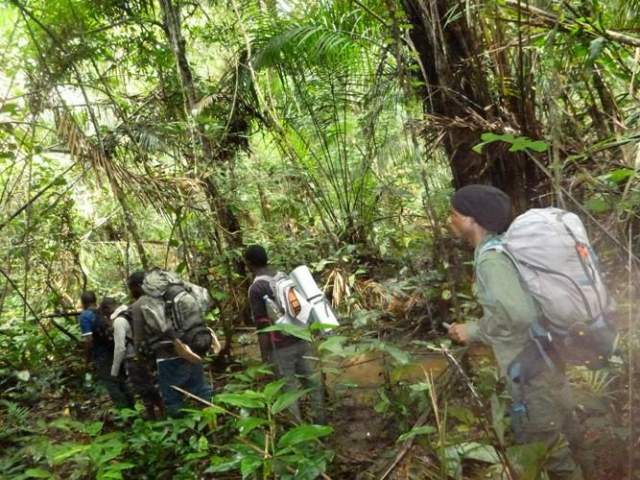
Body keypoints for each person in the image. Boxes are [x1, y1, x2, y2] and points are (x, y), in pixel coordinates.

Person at [446, 184, 590, 480]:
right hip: (547, 353)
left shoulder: (491, 260)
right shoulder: (506, 245)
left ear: (473, 219)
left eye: (455, 214)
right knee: (571, 432)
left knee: (549, 450)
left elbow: (520, 315)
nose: (451, 220)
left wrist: (472, 330)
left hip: (528, 367)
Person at [244, 245, 326, 424]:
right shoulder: (282, 276)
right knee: (312, 385)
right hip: (302, 339)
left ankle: (299, 439)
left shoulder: (256, 288)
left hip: (280, 348)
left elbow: (263, 325)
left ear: (249, 264)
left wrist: (265, 357)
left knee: (289, 393)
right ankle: (321, 424)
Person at [129, 270, 212, 417]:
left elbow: (138, 338)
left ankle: (182, 431)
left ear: (137, 286)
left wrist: (139, 358)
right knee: (201, 390)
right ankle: (211, 423)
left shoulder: (138, 305)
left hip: (166, 357)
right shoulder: (174, 295)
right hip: (190, 349)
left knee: (172, 397)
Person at [111, 272, 165, 419]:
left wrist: (115, 371)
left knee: (144, 388)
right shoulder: (160, 300)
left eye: (131, 287)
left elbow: (134, 340)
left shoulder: (135, 307)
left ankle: (154, 418)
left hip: (143, 354)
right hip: (161, 350)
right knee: (157, 386)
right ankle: (164, 413)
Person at [78, 292, 133, 409]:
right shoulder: (102, 312)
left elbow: (88, 340)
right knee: (122, 381)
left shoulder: (85, 316)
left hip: (102, 355)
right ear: (95, 300)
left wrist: (86, 360)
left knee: (111, 384)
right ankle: (132, 409)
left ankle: (125, 414)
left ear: (83, 303)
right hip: (114, 350)